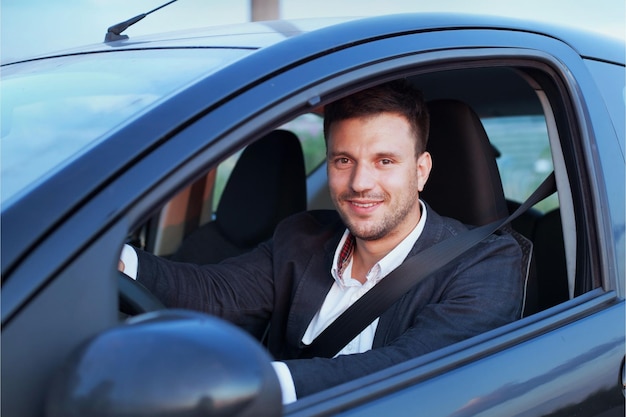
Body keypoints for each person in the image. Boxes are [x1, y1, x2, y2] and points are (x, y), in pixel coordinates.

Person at [119, 79, 523, 403]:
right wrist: (117, 262)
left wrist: (253, 382)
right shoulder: (303, 236)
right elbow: (215, 293)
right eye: (343, 160)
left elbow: (412, 369)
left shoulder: (486, 262)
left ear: (421, 171)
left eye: (385, 161)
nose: (360, 183)